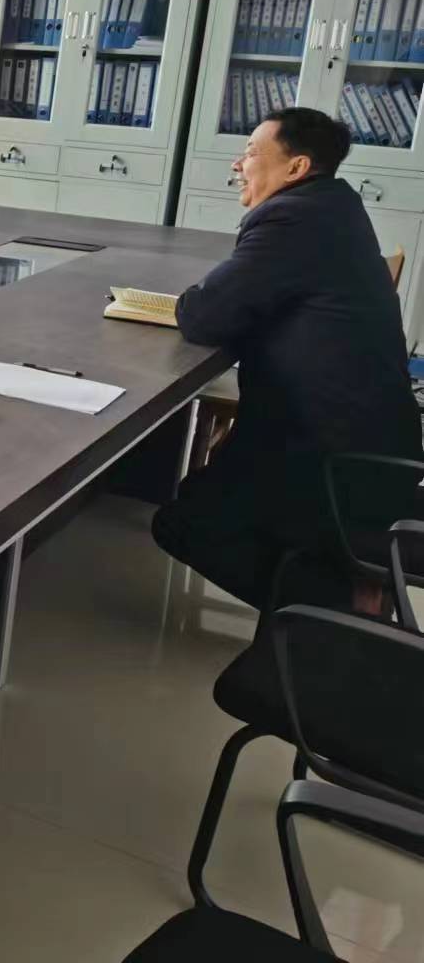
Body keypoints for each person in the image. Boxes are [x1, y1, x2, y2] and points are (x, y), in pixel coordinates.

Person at [153, 107, 421, 610]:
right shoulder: (334, 206)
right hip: (371, 443)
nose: (238, 164)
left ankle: (333, 608)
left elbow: (205, 315)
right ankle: (337, 586)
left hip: (329, 460)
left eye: (252, 152)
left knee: (185, 522)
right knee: (203, 499)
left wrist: (198, 295)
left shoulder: (292, 218)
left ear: (296, 167)